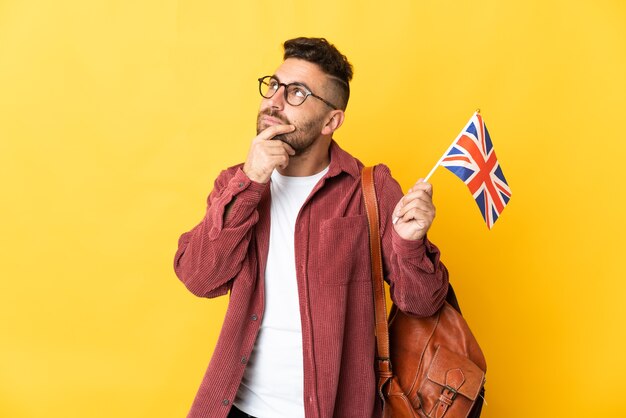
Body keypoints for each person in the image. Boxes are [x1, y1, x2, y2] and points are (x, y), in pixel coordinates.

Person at [173, 37, 449, 418]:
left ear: (331, 120)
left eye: (297, 93)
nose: (275, 101)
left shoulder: (370, 189)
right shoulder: (236, 184)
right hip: (237, 406)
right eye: (274, 86)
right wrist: (251, 180)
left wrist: (410, 244)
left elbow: (422, 303)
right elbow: (199, 278)